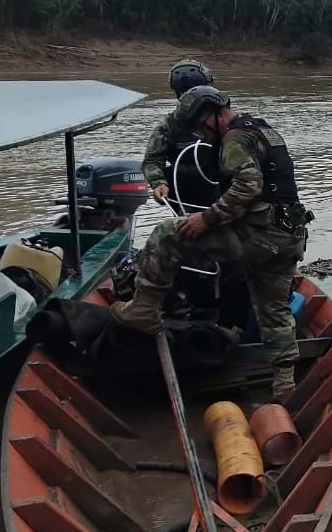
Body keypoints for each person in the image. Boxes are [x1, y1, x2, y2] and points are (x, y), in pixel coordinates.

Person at [113, 86, 312, 400]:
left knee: (166, 235)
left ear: (213, 116)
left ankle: (143, 310)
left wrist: (207, 218)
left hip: (258, 236)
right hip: (289, 237)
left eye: (198, 127)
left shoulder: (233, 138)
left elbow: (248, 186)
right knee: (274, 310)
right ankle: (285, 383)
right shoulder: (261, 129)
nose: (198, 135)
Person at [143, 59, 215, 203]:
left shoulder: (221, 119)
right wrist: (158, 183)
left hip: (221, 188)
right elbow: (152, 160)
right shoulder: (169, 125)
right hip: (185, 189)